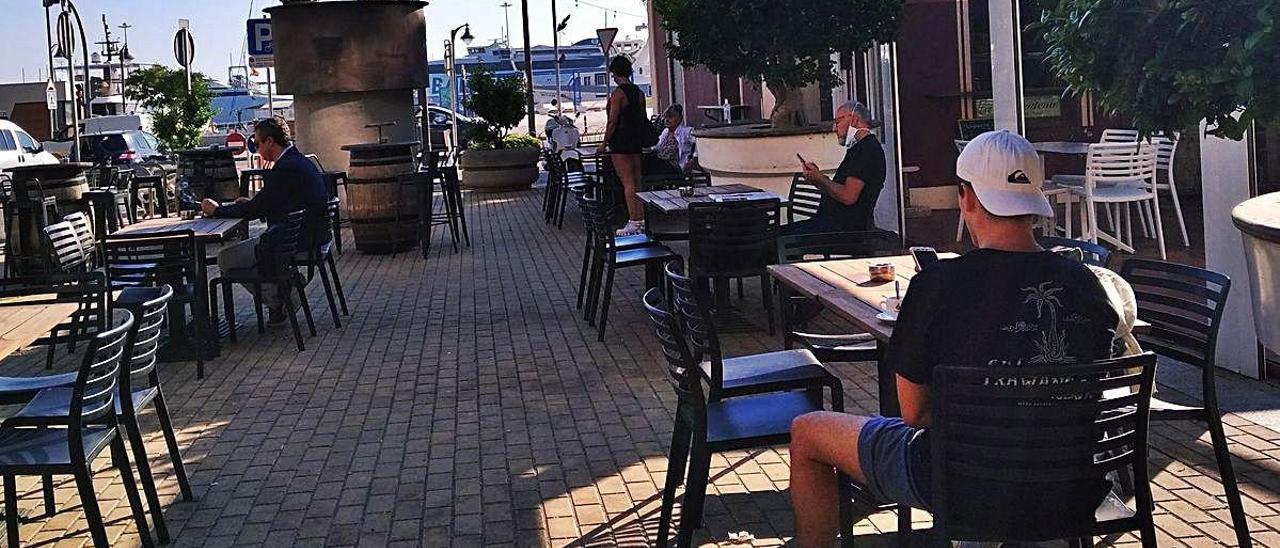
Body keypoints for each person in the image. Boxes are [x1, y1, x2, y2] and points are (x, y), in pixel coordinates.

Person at [787, 130, 1122, 547]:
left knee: (808, 431)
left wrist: (987, 415)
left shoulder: (937, 285)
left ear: (967, 198)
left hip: (961, 482)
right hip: (1071, 485)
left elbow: (913, 413)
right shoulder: (1088, 285)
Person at [201, 118, 331, 324]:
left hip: (296, 242)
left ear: (270, 141)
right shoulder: (300, 162)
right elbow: (271, 202)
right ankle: (280, 292)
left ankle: (281, 297)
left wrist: (217, 210)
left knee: (226, 259)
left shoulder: (285, 169)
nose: (256, 148)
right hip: (313, 236)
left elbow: (257, 209)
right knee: (250, 256)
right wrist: (253, 203)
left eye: (257, 143)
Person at [786, 101, 886, 235]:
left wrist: (821, 178)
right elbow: (837, 190)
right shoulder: (858, 149)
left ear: (854, 120)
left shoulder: (866, 151)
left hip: (844, 230)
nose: (834, 128)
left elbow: (848, 196)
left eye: (838, 122)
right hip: (829, 224)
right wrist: (817, 179)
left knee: (774, 241)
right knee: (773, 236)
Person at [597, 56, 650, 237]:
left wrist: (604, 144)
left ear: (614, 73)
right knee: (637, 179)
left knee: (627, 182)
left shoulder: (618, 94)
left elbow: (612, 121)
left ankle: (634, 220)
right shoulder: (639, 93)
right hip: (636, 140)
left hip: (620, 141)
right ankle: (641, 219)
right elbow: (642, 118)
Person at [653, 104, 696, 175]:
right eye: (665, 117)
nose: (666, 120)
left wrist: (693, 160)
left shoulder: (686, 132)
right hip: (661, 162)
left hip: (675, 167)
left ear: (679, 119)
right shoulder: (665, 131)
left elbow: (699, 143)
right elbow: (657, 146)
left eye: (670, 117)